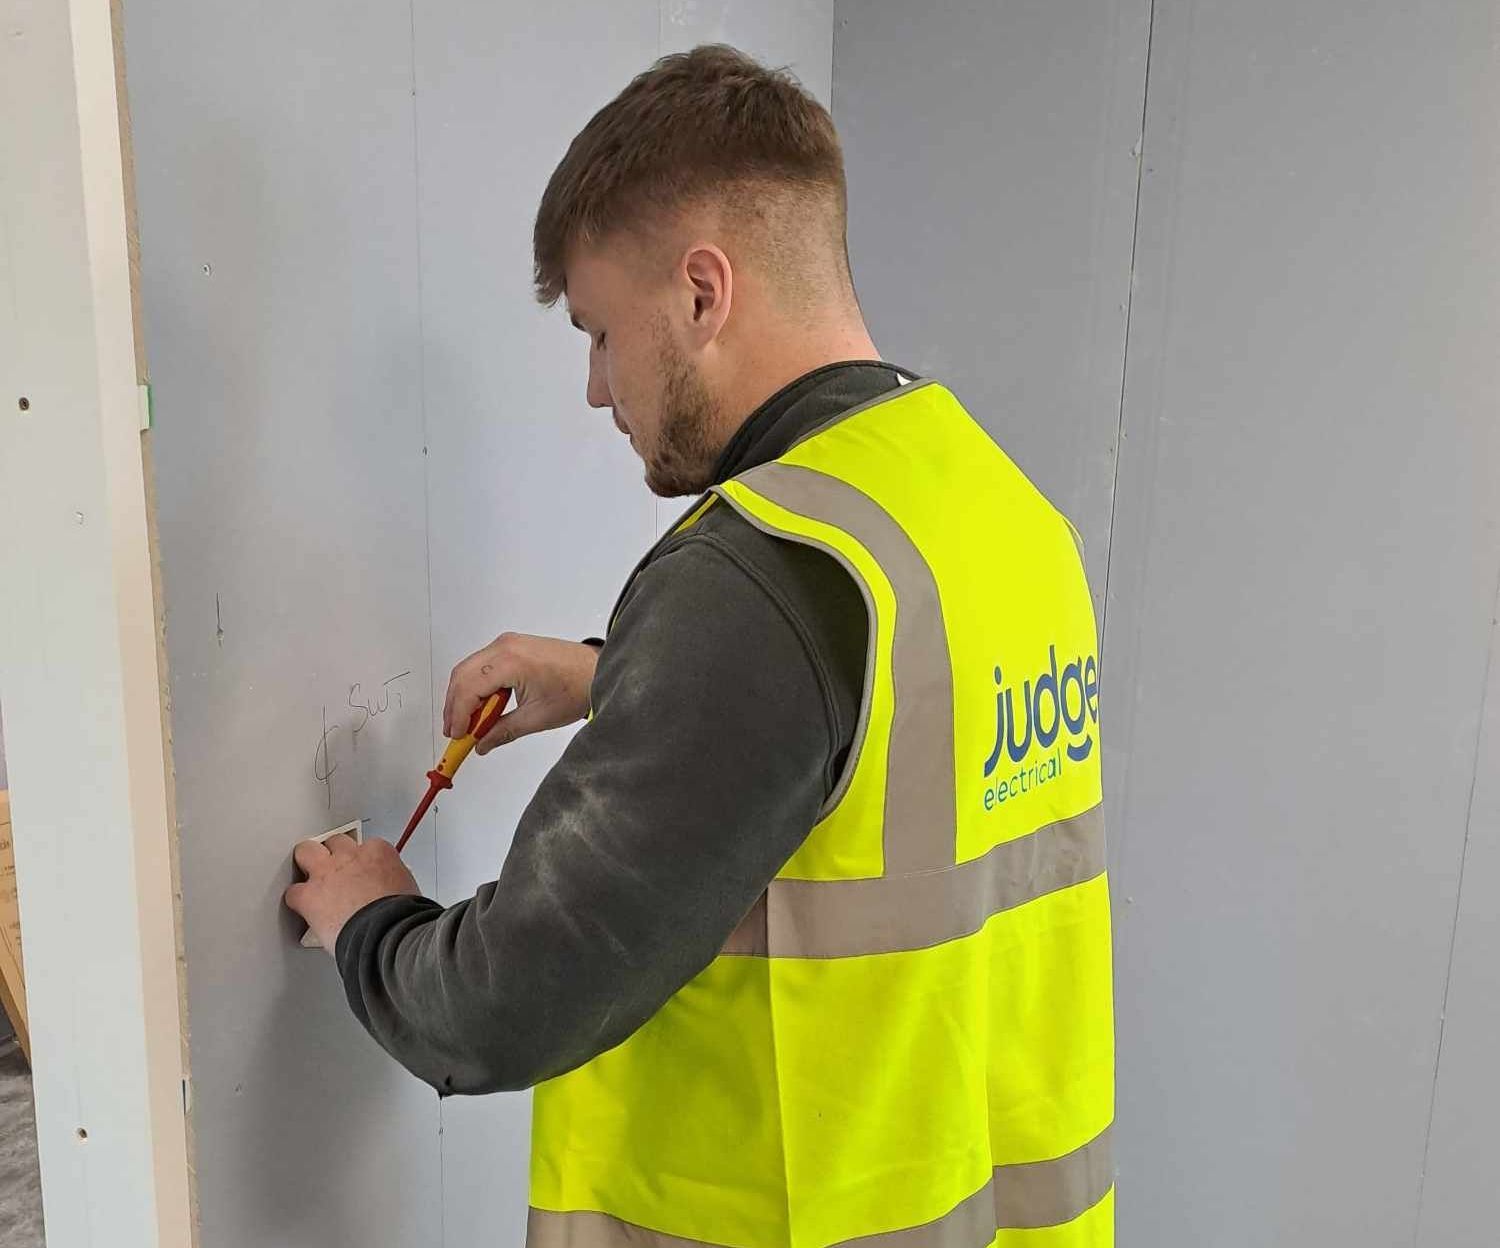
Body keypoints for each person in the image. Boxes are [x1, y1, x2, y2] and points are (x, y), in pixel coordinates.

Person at [285, 44, 1114, 1247]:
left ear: (703, 294)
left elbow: (501, 1008)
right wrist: (615, 670)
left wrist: (373, 917)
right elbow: (872, 743)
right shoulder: (992, 510)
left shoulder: (756, 578)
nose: (593, 387)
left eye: (601, 332)